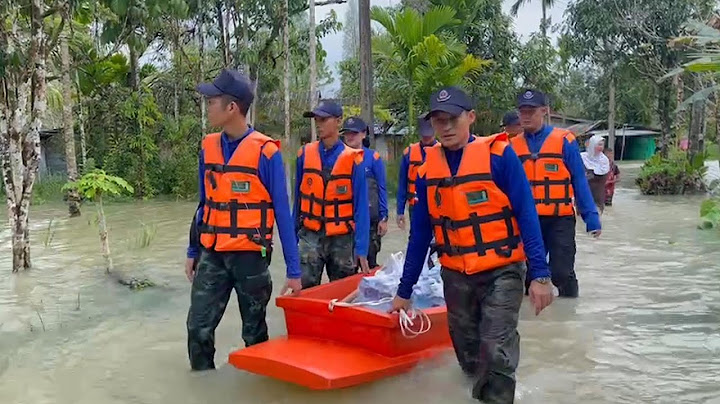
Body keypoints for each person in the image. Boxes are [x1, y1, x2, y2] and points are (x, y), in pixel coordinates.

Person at [389, 86, 554, 404]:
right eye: (439, 121)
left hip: (502, 271)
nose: (446, 127)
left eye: (453, 118)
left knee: (495, 346)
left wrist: (541, 276)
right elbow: (420, 236)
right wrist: (404, 292)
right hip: (455, 276)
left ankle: (498, 395)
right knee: (467, 354)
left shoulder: (499, 156)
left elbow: (527, 215)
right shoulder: (426, 171)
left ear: (471, 117)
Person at [185, 69, 302, 371]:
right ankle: (203, 388)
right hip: (213, 253)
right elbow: (204, 203)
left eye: (212, 101)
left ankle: (258, 390)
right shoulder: (207, 146)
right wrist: (192, 250)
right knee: (197, 329)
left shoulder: (266, 153)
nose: (207, 107)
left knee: (254, 334)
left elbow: (283, 215)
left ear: (232, 108)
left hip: (251, 256)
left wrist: (294, 270)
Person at [509, 89, 601, 298]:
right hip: (527, 219)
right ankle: (536, 324)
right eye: (522, 111)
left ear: (544, 111)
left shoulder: (564, 141)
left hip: (560, 218)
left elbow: (579, 180)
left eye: (531, 111)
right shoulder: (512, 146)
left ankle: (569, 312)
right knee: (529, 275)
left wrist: (591, 217)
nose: (526, 116)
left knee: (561, 272)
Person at [295, 100, 370, 288]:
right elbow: (297, 202)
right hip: (310, 235)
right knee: (305, 292)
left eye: (323, 119)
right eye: (316, 120)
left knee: (343, 293)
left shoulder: (354, 160)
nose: (318, 124)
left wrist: (361, 249)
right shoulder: (304, 155)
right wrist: (290, 243)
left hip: (342, 239)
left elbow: (361, 207)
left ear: (338, 121)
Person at [341, 116, 389, 268]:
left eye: (354, 133)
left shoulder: (372, 158)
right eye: (347, 133)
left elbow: (382, 187)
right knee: (347, 266)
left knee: (369, 263)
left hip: (370, 220)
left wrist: (384, 217)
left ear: (363, 134)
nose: (350, 137)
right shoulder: (340, 157)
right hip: (345, 221)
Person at [396, 117, 437, 229]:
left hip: (438, 205)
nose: (427, 138)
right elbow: (402, 184)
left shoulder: (444, 151)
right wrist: (400, 211)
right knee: (416, 237)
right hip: (416, 205)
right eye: (424, 135)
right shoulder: (409, 153)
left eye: (429, 134)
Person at [580, 134, 611, 214]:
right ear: (592, 145)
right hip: (583, 196)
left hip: (598, 197)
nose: (601, 147)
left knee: (597, 220)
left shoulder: (604, 161)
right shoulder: (582, 158)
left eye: (602, 145)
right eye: (599, 144)